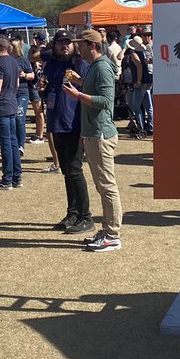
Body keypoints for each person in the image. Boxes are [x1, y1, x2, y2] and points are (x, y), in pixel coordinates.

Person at [63, 29, 121, 252]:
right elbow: (96, 90)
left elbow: (106, 101)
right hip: (92, 133)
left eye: (82, 44)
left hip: (100, 134)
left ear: (93, 46)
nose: (79, 47)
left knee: (107, 186)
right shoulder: (95, 68)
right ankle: (108, 230)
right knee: (102, 185)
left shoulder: (103, 67)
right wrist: (80, 82)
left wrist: (77, 95)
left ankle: (113, 234)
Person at [41, 32, 93, 231]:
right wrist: (42, 89)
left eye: (68, 42)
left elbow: (88, 95)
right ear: (54, 45)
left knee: (74, 170)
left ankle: (86, 217)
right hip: (57, 122)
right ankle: (72, 213)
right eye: (61, 42)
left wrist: (84, 129)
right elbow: (50, 90)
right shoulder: (53, 65)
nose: (65, 46)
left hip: (74, 124)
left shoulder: (80, 65)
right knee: (66, 172)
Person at [0, 38, 23, 189]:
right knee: (13, 141)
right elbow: (16, 84)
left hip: (2, 105)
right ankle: (17, 177)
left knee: (6, 143)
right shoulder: (14, 62)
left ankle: (7, 179)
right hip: (12, 103)